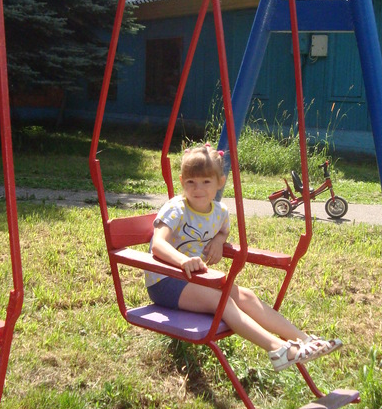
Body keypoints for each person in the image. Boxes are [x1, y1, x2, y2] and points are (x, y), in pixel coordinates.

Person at [145, 143, 342, 372]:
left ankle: (304, 340)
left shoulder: (219, 212)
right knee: (222, 301)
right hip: (166, 280)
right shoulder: (176, 208)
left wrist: (219, 241)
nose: (198, 189)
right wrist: (182, 260)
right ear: (182, 181)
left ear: (220, 182)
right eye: (191, 182)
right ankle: (278, 349)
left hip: (196, 278)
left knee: (246, 295)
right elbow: (158, 244)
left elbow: (223, 231)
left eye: (206, 182)